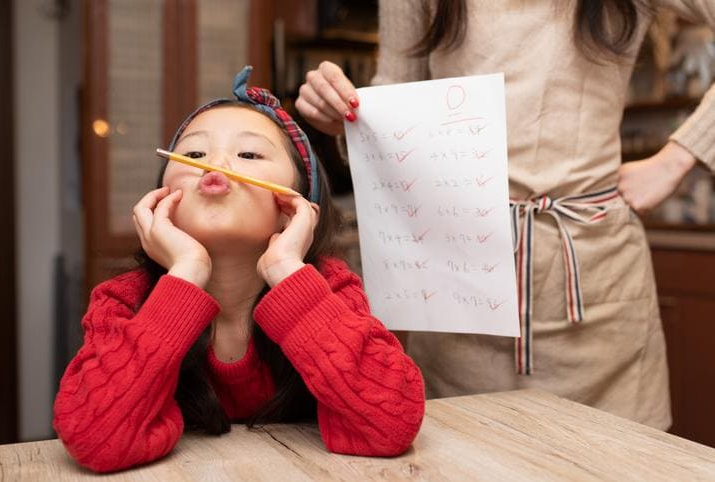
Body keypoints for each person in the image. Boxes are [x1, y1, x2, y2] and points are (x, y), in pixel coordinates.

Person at [295, 0, 715, 431]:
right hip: (462, 282)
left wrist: (678, 159)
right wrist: (344, 114)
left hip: (595, 280)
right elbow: (395, 97)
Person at [53, 66, 425, 473]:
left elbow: (391, 424)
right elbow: (93, 439)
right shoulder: (124, 300)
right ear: (161, 200)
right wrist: (186, 273)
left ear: (294, 208)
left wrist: (287, 269)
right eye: (193, 154)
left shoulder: (332, 291)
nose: (217, 162)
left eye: (249, 154)